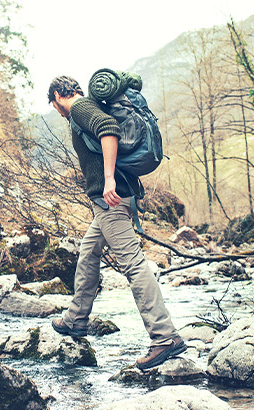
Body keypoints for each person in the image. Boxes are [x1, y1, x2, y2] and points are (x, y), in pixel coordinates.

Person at [46, 75, 185, 370]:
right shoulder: (88, 106)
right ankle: (76, 319)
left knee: (133, 266)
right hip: (107, 203)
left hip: (111, 200)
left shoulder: (80, 108)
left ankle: (164, 336)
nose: (58, 112)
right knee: (88, 253)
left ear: (58, 95)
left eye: (54, 105)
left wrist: (108, 179)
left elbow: (109, 130)